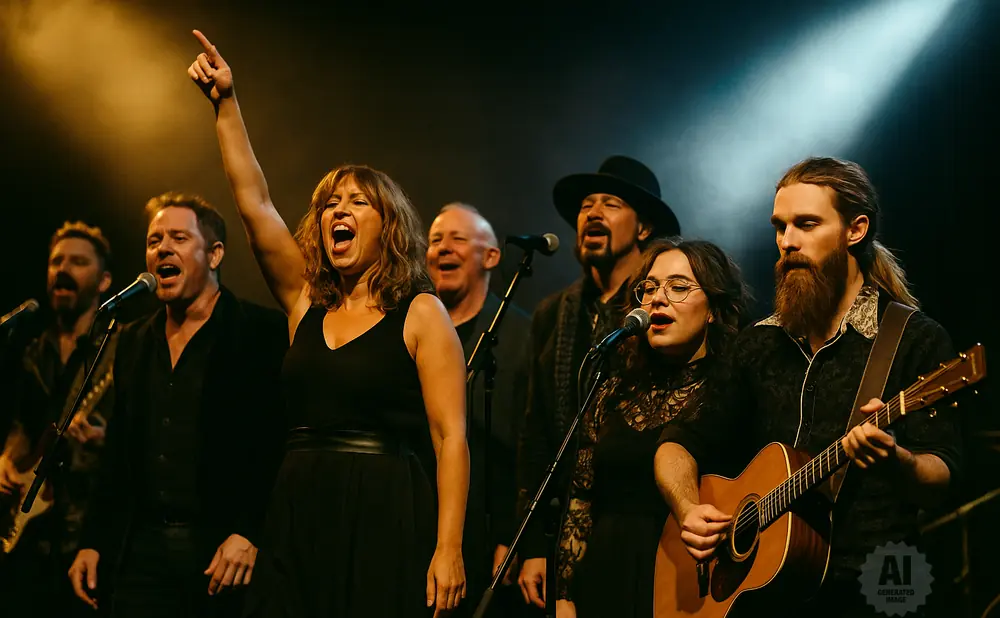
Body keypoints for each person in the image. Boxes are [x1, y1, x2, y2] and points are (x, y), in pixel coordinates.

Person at [188, 30, 470, 618]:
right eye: (329, 204)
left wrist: (448, 549)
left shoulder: (419, 312)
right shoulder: (304, 301)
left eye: (356, 202)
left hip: (384, 506)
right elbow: (254, 204)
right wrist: (226, 105)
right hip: (297, 502)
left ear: (388, 224)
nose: (338, 211)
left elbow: (450, 439)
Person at [654, 157, 962, 617]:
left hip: (876, 586)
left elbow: (945, 473)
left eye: (807, 224)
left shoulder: (914, 338)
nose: (788, 241)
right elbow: (677, 444)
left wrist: (897, 460)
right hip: (766, 595)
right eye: (780, 227)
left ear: (855, 230)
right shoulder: (758, 344)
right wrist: (688, 509)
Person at [67, 193, 288, 618]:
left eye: (179, 238)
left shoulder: (258, 332)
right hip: (142, 552)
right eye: (154, 240)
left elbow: (276, 444)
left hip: (219, 551)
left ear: (215, 254)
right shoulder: (132, 340)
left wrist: (250, 530)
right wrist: (93, 540)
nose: (163, 249)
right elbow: (118, 454)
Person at [516, 156, 681, 610]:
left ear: (643, 227)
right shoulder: (554, 312)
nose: (592, 213)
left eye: (610, 204)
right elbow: (535, 433)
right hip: (565, 527)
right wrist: (529, 542)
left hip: (639, 524)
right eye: (586, 205)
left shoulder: (660, 311)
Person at [555, 239, 749, 618]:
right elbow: (581, 498)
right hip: (604, 575)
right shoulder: (612, 390)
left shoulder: (731, 389)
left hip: (683, 584)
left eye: (678, 287)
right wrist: (565, 595)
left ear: (713, 309)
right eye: (649, 287)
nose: (658, 299)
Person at [0, 222, 116, 617]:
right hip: (28, 534)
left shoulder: (120, 349)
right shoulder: (34, 348)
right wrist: (6, 461)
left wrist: (105, 440)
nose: (62, 270)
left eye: (78, 262)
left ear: (104, 281)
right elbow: (21, 423)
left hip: (86, 533)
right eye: (56, 262)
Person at [426, 203, 531, 614]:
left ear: (490, 257)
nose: (443, 248)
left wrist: (513, 532)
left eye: (458, 238)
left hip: (487, 530)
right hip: (418, 518)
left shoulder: (521, 335)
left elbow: (529, 440)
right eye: (435, 240)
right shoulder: (416, 328)